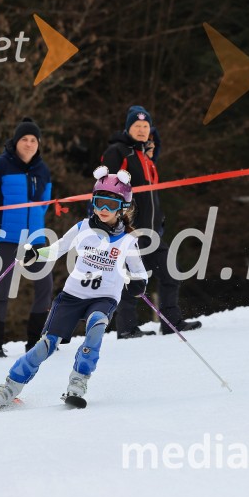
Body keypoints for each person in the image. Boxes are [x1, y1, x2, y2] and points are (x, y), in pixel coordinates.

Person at [0, 167, 148, 410]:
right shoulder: (82, 228)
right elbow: (57, 249)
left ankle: (79, 380)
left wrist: (139, 284)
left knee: (97, 325)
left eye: (110, 205)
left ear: (122, 208)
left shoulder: (128, 241)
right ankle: (10, 386)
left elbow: (140, 272)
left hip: (104, 297)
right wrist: (36, 253)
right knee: (45, 346)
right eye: (99, 202)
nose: (103, 209)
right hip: (72, 296)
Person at [101, 105, 201, 338]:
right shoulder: (118, 152)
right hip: (129, 231)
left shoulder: (146, 158)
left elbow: (152, 196)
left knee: (170, 273)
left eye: (146, 126)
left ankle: (171, 322)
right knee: (133, 279)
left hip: (153, 230)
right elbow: (106, 189)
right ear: (128, 128)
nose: (142, 130)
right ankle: (126, 329)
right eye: (137, 126)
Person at [0, 118, 53, 357]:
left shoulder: (43, 170)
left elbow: (44, 204)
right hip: (6, 238)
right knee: (2, 290)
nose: (29, 143)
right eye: (24, 139)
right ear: (15, 142)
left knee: (45, 286)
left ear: (38, 144)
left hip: (35, 239)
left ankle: (35, 341)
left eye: (33, 140)